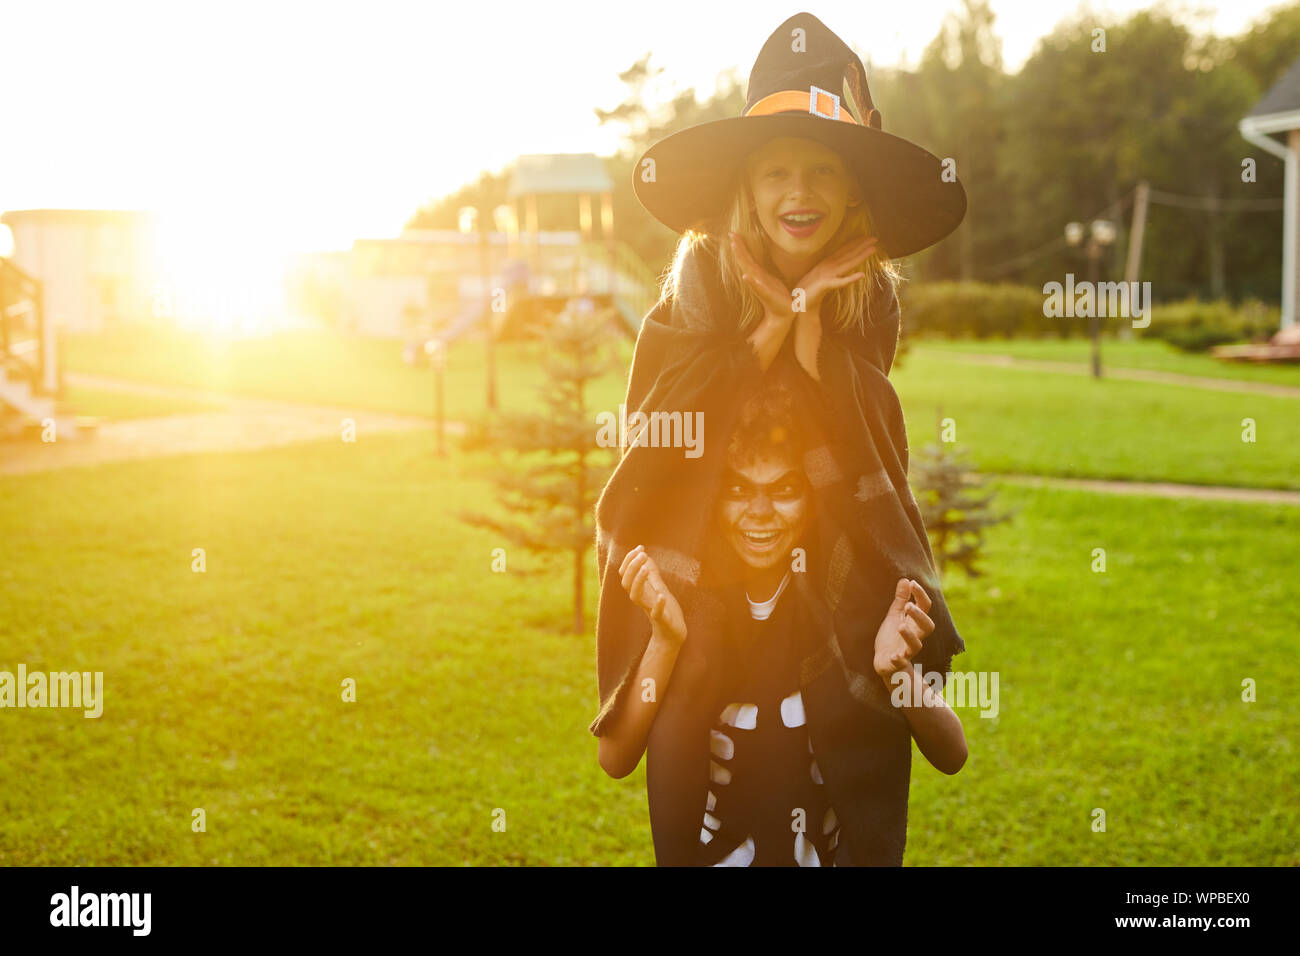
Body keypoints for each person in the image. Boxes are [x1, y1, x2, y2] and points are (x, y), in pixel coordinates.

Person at [590, 11, 971, 866]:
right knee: (706, 716)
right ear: (747, 191)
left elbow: (867, 441)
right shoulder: (695, 285)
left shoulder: (868, 297)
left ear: (851, 192)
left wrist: (808, 339)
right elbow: (663, 439)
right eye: (777, 171)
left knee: (837, 715)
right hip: (707, 539)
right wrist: (770, 330)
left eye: (824, 170)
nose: (800, 192)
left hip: (824, 532)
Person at [599, 374, 966, 866]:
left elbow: (951, 753)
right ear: (713, 497)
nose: (760, 512)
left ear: (814, 494)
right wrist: (666, 640)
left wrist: (896, 671)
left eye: (785, 488)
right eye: (738, 488)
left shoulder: (851, 602)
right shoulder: (687, 602)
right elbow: (616, 759)